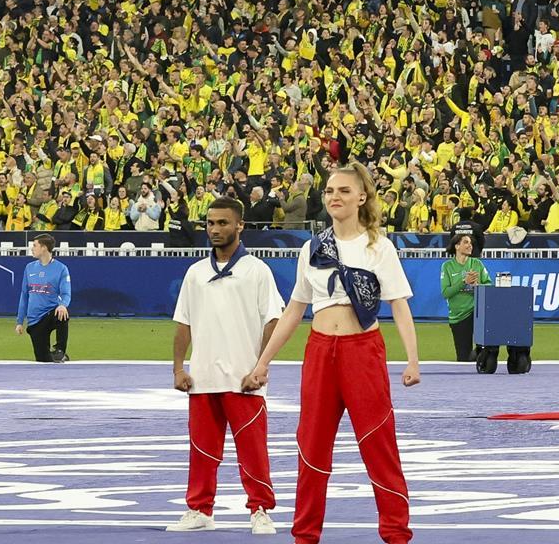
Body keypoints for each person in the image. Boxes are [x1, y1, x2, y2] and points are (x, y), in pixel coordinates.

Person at [244, 162, 421, 544]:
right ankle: (305, 535)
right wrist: (263, 362)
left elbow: (399, 304)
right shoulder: (312, 248)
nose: (335, 197)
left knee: (378, 442)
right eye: (329, 191)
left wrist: (412, 358)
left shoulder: (379, 246)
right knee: (311, 445)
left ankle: (396, 534)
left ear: (362, 197)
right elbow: (295, 309)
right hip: (321, 352)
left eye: (343, 191)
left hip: (363, 352)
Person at [170, 195, 284, 534]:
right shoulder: (196, 272)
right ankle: (199, 509)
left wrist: (260, 367)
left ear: (240, 226)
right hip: (202, 378)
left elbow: (273, 321)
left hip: (244, 379)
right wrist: (178, 368)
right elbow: (183, 323)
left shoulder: (257, 271)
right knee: (202, 451)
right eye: (210, 223)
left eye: (222, 223)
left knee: (253, 452)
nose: (215, 229)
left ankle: (260, 510)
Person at [17, 234, 73, 363]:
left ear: (44, 248)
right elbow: (24, 294)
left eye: (35, 245)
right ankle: (58, 358)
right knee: (44, 360)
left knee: (62, 313)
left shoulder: (61, 269)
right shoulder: (29, 268)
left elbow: (66, 293)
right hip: (34, 321)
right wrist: (20, 321)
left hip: (50, 314)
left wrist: (63, 305)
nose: (32, 248)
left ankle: (60, 349)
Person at [441, 227, 489, 364]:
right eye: (466, 242)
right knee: (464, 359)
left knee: (487, 349)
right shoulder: (447, 266)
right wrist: (464, 282)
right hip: (459, 316)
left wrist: (477, 286)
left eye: (471, 243)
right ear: (457, 246)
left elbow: (489, 286)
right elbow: (446, 292)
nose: (470, 245)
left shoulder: (477, 264)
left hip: (477, 312)